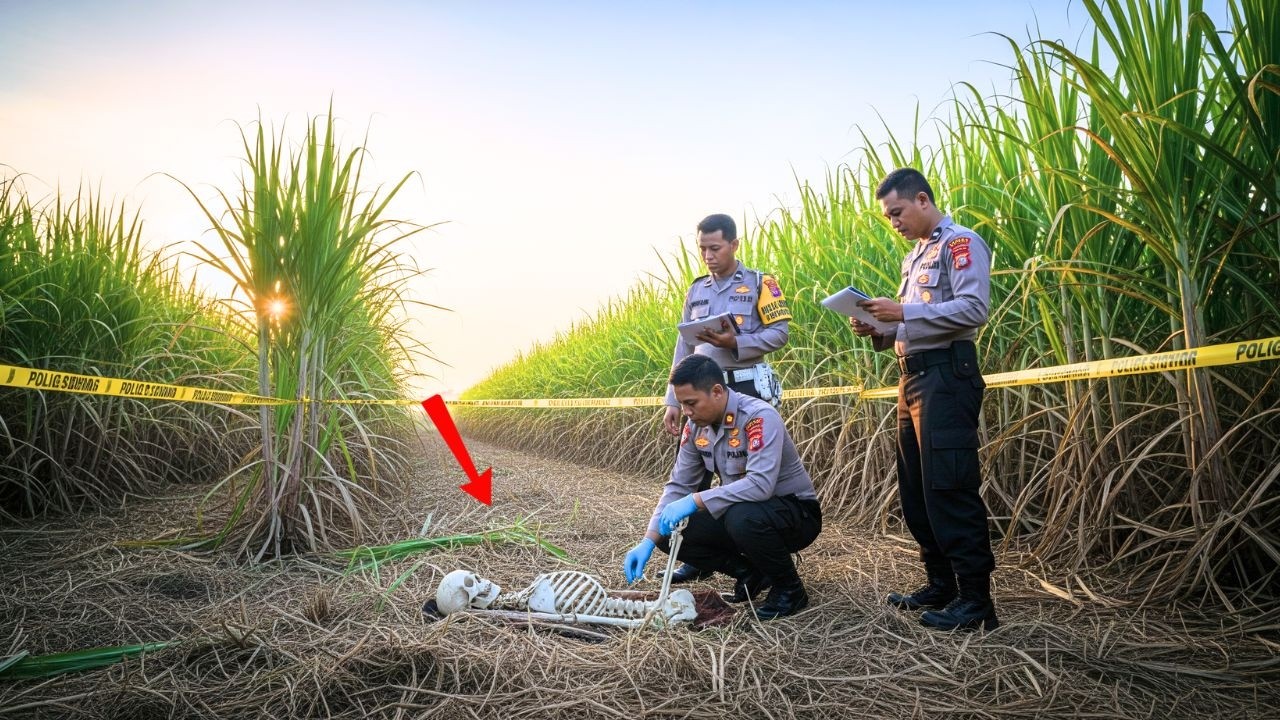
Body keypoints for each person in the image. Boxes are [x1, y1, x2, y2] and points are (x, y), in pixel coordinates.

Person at [851, 167, 999, 631]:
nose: (893, 222)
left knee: (948, 487)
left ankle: (976, 601)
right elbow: (914, 322)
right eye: (887, 216)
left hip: (946, 377)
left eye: (896, 212)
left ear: (921, 199)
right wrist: (882, 328)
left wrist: (905, 312)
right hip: (911, 379)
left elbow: (974, 309)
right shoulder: (915, 257)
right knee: (917, 490)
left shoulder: (960, 243)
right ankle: (941, 585)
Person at [624, 354, 822, 620]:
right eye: (682, 404)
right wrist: (648, 540)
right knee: (669, 531)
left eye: (691, 403)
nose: (687, 412)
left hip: (794, 513)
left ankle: (790, 589)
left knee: (742, 517)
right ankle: (749, 573)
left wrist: (694, 501)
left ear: (717, 391)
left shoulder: (758, 417)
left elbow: (760, 486)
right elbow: (679, 484)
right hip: (741, 512)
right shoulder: (695, 427)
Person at [660, 213, 792, 584]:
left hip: (745, 387)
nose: (708, 255)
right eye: (702, 248)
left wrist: (737, 342)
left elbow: (779, 334)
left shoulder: (760, 284)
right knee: (696, 470)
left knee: (747, 469)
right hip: (701, 395)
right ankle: (699, 555)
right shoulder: (696, 290)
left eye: (715, 248)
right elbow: (684, 345)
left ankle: (760, 551)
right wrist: (673, 398)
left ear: (734, 244)